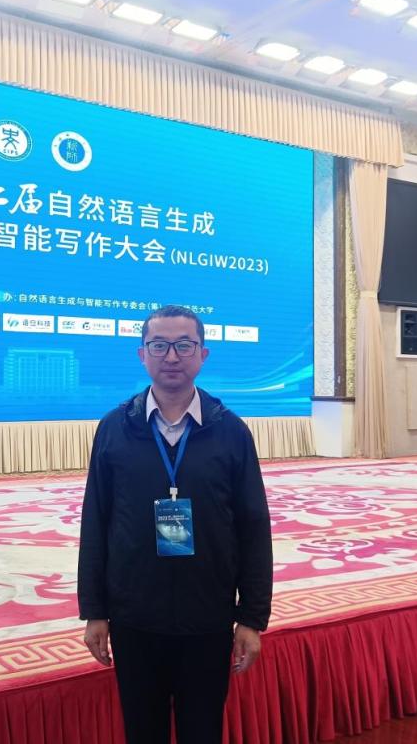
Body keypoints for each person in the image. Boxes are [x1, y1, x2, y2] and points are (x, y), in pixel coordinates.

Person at [77, 304, 273, 744]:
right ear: (141, 354)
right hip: (134, 618)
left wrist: (251, 618)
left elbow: (253, 529)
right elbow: (96, 523)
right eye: (159, 345)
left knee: (202, 731)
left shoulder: (231, 432)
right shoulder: (114, 429)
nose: (171, 356)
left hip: (207, 617)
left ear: (203, 354)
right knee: (142, 731)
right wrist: (94, 611)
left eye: (183, 345)